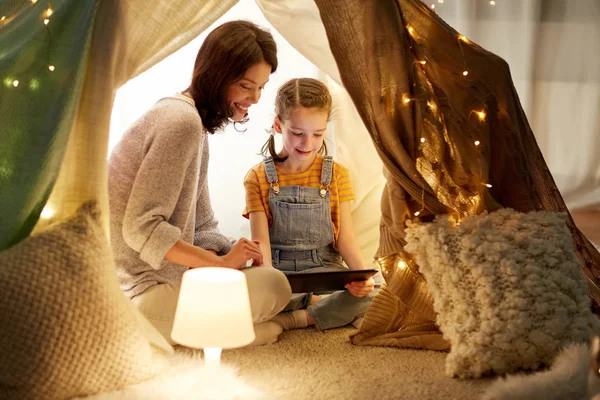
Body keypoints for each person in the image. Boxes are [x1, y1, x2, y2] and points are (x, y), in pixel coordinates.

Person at [108, 20, 292, 346]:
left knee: (268, 281)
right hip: (137, 294)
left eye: (261, 87)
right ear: (217, 75)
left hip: (161, 282)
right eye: (246, 85)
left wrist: (235, 255)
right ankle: (243, 330)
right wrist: (220, 264)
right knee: (274, 288)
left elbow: (202, 222)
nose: (255, 98)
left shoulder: (192, 122)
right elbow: (141, 229)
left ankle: (233, 331)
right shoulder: (180, 123)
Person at [243, 78, 376, 332]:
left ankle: (294, 318)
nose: (308, 144)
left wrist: (362, 277)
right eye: (297, 133)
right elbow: (262, 248)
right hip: (279, 272)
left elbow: (345, 239)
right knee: (242, 292)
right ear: (278, 125)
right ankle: (316, 307)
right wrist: (270, 284)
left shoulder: (337, 174)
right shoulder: (257, 177)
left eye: (318, 134)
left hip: (324, 268)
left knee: (375, 294)